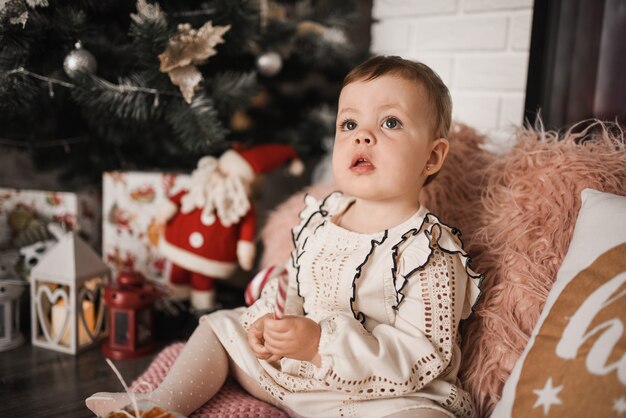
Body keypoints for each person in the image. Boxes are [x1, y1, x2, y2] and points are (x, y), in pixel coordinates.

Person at [87, 55, 482, 418]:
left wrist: (320, 345)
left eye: (390, 122)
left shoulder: (430, 254)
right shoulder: (322, 219)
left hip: (385, 398)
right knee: (221, 327)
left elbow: (420, 358)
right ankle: (164, 404)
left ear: (432, 157)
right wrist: (271, 326)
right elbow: (296, 287)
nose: (362, 136)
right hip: (298, 378)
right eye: (349, 124)